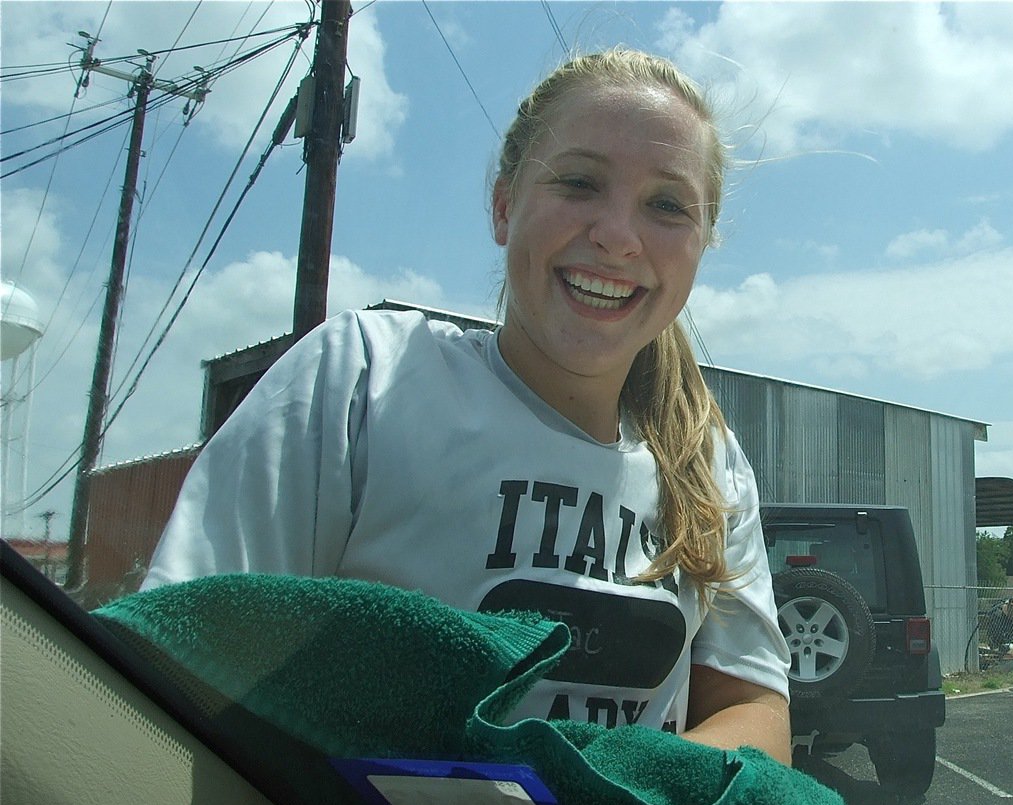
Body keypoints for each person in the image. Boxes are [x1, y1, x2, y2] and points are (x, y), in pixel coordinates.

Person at [142, 48, 792, 765]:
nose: (617, 235)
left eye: (667, 205)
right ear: (504, 205)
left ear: (701, 244)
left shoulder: (710, 466)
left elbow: (753, 712)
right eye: (579, 183)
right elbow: (183, 653)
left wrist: (600, 804)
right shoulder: (364, 377)